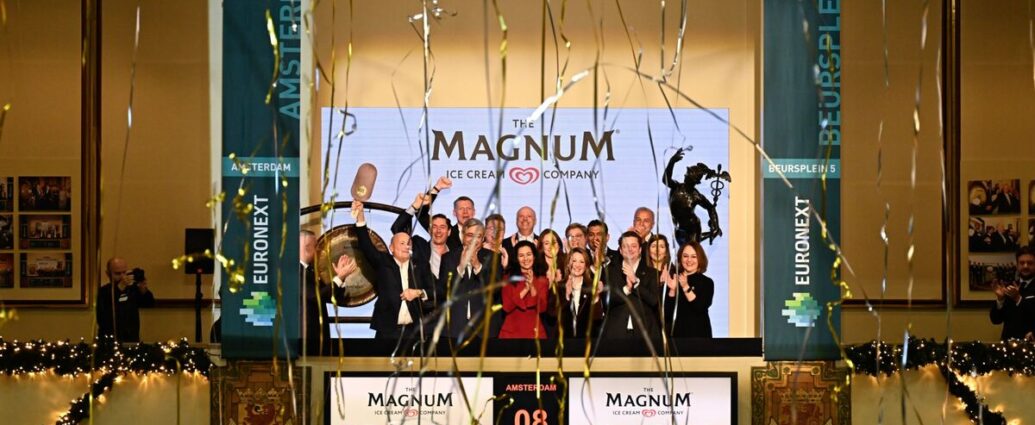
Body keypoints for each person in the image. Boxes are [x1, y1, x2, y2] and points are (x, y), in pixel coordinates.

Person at [352, 201, 436, 339]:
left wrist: (418, 292)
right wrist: (360, 216)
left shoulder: (419, 265)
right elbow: (366, 245)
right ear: (391, 248)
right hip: (387, 330)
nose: (406, 247)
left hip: (413, 330)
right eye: (402, 243)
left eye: (409, 244)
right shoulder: (383, 262)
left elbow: (436, 289)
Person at [440, 218, 502, 339]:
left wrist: (478, 266)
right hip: (455, 328)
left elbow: (495, 289)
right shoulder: (448, 258)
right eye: (470, 235)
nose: (474, 240)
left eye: (478, 236)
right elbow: (444, 290)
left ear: (483, 238)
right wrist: (461, 267)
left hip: (483, 328)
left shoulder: (493, 258)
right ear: (462, 235)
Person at [299, 230, 355, 354]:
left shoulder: (311, 270)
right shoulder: (294, 270)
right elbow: (315, 296)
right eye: (316, 246)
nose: (318, 250)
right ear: (307, 247)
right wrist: (339, 277)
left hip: (318, 335)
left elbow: (332, 297)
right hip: (304, 336)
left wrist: (341, 278)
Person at [602, 232, 660, 340]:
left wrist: (636, 282)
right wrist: (626, 289)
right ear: (620, 250)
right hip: (616, 332)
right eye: (625, 246)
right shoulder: (609, 272)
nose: (630, 249)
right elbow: (606, 302)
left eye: (633, 246)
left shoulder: (652, 273)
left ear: (640, 250)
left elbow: (654, 301)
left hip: (645, 333)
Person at [96, 257, 155, 342]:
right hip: (109, 340)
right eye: (117, 273)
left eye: (124, 272)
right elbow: (102, 318)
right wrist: (119, 288)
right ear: (108, 273)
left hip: (131, 338)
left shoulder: (132, 289)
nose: (122, 276)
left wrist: (143, 289)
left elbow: (149, 304)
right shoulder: (104, 291)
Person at [663, 242, 714, 338]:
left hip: (699, 336)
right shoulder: (673, 279)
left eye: (694, 256)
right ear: (680, 258)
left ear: (700, 259)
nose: (689, 260)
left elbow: (700, 307)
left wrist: (685, 286)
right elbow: (666, 314)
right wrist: (672, 290)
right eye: (685, 256)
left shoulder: (707, 282)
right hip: (676, 336)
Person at [499, 241, 549, 339]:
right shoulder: (508, 278)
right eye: (521, 255)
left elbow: (542, 308)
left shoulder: (542, 280)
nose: (525, 259)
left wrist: (532, 287)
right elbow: (507, 307)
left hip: (535, 334)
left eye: (529, 254)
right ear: (516, 259)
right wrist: (526, 289)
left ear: (534, 256)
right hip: (511, 334)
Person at [990, 246, 1035, 340]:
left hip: (1030, 344)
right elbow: (996, 320)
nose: (1025, 266)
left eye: (1030, 263)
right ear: (1017, 265)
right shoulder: (1009, 287)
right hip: (1008, 344)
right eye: (1022, 263)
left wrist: (1018, 299)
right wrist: (1000, 300)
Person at [559, 247, 603, 339]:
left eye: (582, 262)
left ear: (586, 266)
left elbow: (598, 318)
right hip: (564, 340)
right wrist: (567, 296)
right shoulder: (559, 286)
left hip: (586, 340)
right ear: (568, 264)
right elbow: (552, 315)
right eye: (574, 261)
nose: (577, 265)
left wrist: (596, 297)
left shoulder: (592, 286)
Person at [536, 229, 566, 337]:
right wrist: (549, 284)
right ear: (541, 246)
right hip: (541, 321)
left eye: (553, 242)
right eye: (546, 243)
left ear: (559, 244)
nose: (550, 246)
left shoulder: (568, 263)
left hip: (564, 320)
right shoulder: (535, 266)